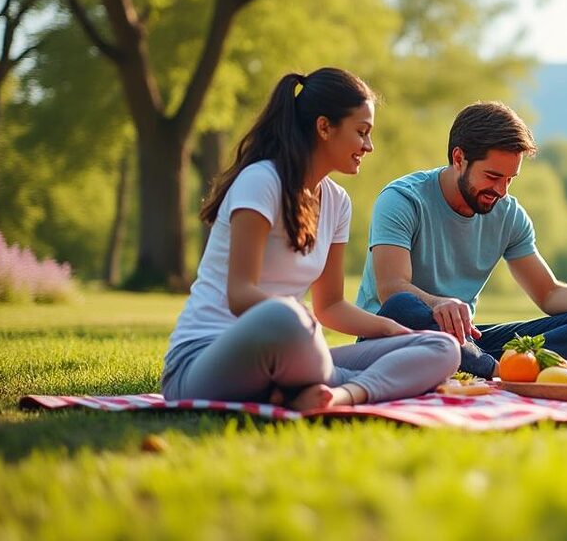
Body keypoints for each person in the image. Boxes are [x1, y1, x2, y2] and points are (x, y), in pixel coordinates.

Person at [162, 69, 461, 412]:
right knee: (286, 315)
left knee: (441, 347)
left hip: (294, 351)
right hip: (203, 361)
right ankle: (344, 380)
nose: (369, 146)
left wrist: (392, 330)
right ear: (324, 127)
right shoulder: (261, 181)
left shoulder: (337, 202)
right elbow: (240, 294)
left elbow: (330, 306)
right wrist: (299, 318)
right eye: (361, 132)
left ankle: (339, 395)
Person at [356, 101, 567, 378]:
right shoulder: (402, 199)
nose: (501, 191)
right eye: (492, 176)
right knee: (403, 305)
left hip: (467, 341)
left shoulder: (508, 214)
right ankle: (501, 370)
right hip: (395, 333)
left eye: (509, 179)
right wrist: (439, 304)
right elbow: (391, 288)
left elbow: (549, 293)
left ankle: (487, 367)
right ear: (459, 158)